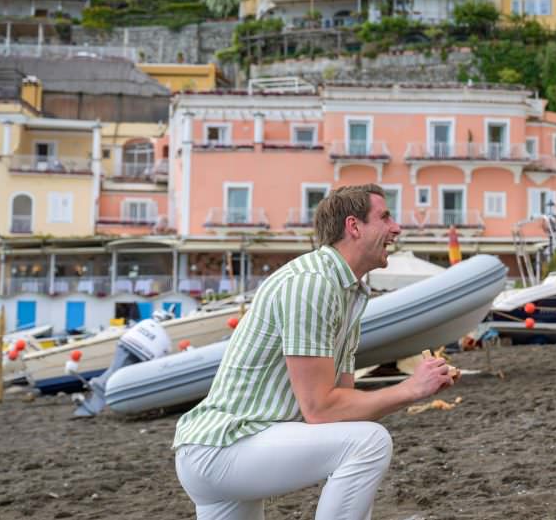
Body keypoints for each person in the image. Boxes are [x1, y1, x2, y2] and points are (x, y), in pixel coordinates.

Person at [173, 184, 456, 520]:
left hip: (228, 447)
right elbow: (320, 410)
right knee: (369, 443)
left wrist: (414, 389)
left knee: (361, 440)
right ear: (354, 226)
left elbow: (342, 409)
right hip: (224, 445)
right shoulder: (313, 282)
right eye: (385, 216)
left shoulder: (349, 293)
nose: (396, 227)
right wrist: (410, 389)